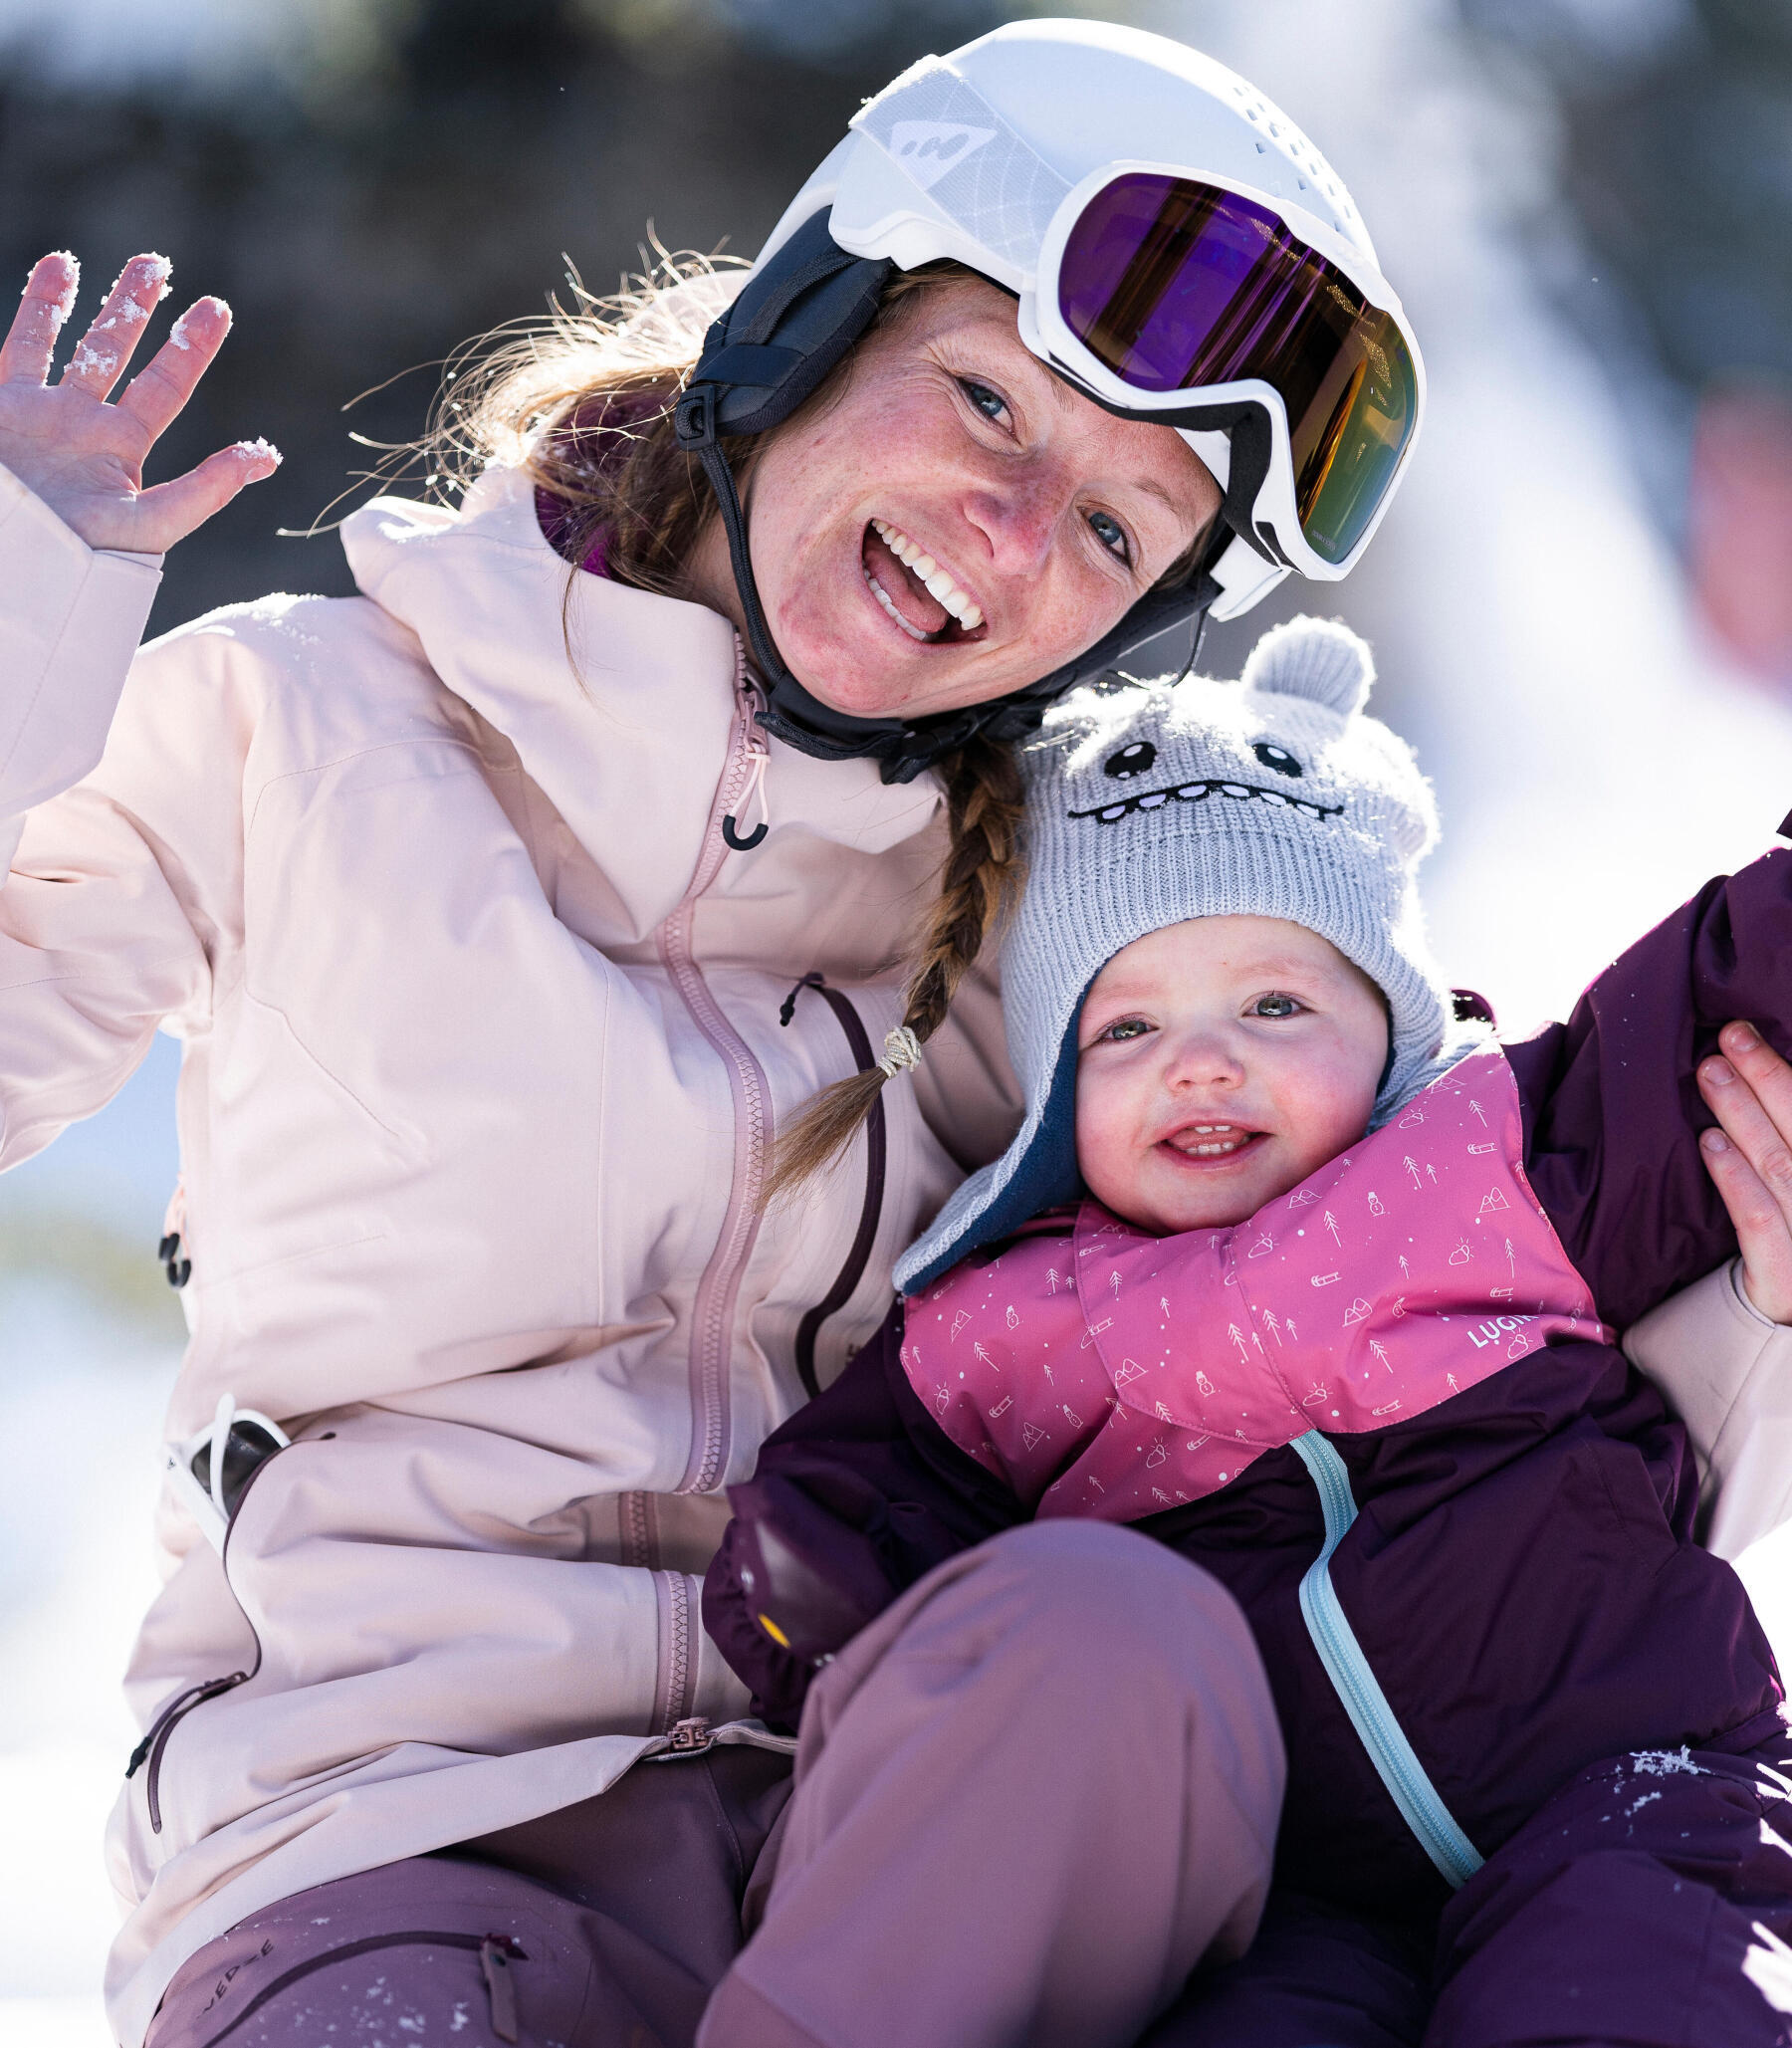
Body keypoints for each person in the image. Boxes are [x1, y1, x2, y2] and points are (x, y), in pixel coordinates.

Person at [0, 15, 1786, 2048]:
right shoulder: (302, 731)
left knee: (1123, 1632)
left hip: (910, 1845)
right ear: (807, 315)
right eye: (990, 406)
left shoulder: (1072, 918)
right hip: (385, 1843)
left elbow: (1408, 1302)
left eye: (1119, 530)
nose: (1017, 536)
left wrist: (1758, 1317)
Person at [706, 615, 1792, 2047]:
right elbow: (845, 1507)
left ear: (1393, 1029)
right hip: (1278, 1895)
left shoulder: (1499, 1159)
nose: (1204, 1057)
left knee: (1644, 1998)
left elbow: (1724, 985)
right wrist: (806, 1616)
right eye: (1126, 1030)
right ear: (1051, 1104)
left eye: (1276, 1001)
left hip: (1623, 1777)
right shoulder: (1005, 1331)